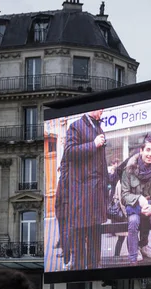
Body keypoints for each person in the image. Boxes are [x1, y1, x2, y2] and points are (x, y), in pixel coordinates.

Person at [57, 109, 109, 270]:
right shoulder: (76, 126)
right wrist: (93, 144)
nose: (102, 111)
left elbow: (101, 162)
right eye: (100, 108)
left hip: (96, 192)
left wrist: (107, 182)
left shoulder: (98, 128)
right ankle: (79, 269)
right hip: (83, 193)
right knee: (79, 233)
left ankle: (94, 267)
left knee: (95, 232)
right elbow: (70, 152)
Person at [121, 134, 151, 266]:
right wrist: (138, 198)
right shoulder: (129, 169)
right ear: (141, 150)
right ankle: (133, 259)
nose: (150, 154)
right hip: (134, 208)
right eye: (148, 150)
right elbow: (124, 195)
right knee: (134, 221)